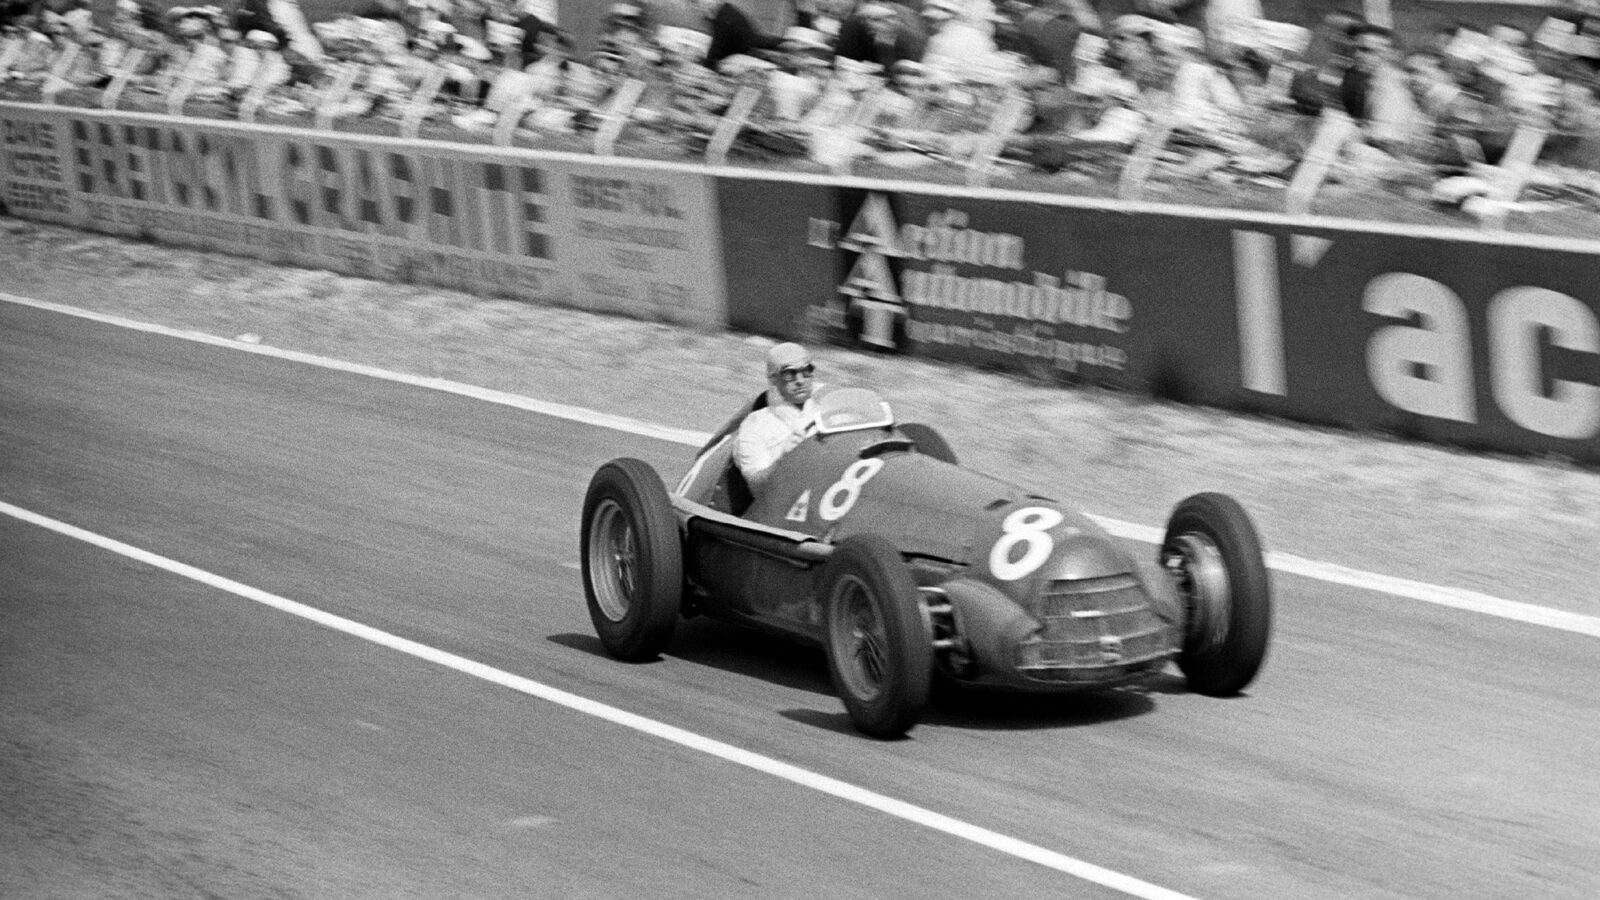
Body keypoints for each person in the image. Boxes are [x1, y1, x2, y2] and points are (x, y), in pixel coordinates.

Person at [734, 342, 819, 493]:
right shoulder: (756, 425)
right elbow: (756, 485)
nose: (800, 380)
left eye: (806, 371)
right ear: (773, 379)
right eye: (789, 374)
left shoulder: (827, 411)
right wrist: (783, 458)